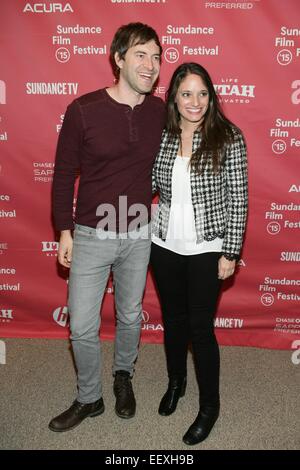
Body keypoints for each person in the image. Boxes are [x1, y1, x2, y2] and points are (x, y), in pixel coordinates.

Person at [49, 23, 165, 432]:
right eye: (140, 55)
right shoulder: (83, 110)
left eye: (155, 56)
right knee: (81, 325)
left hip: (137, 233)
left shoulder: (160, 111)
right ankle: (88, 398)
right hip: (91, 234)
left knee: (131, 316)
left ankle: (123, 377)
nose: (150, 65)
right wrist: (64, 230)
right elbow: (63, 173)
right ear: (118, 58)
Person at [151, 62, 248, 445]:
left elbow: (238, 199)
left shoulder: (228, 137)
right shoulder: (163, 135)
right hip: (164, 245)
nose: (195, 102)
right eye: (187, 93)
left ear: (212, 96)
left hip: (208, 248)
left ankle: (210, 407)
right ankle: (176, 383)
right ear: (174, 96)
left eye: (202, 93)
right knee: (173, 321)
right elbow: (143, 182)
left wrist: (231, 252)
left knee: (200, 329)